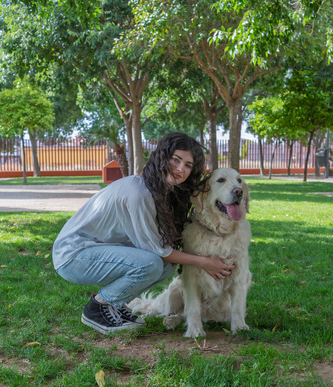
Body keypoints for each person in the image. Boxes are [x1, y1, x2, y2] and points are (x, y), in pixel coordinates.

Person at [52, 132, 235, 334]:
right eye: (176, 159)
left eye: (188, 165)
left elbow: (164, 251)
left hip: (97, 250)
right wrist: (205, 262)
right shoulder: (138, 192)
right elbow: (159, 251)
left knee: (165, 266)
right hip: (73, 257)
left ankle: (116, 304)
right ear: (162, 157)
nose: (180, 169)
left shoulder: (161, 190)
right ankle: (98, 308)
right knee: (152, 263)